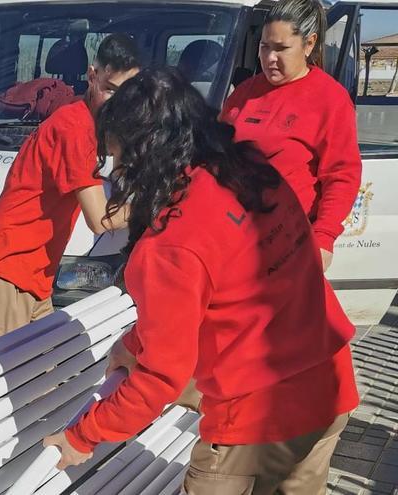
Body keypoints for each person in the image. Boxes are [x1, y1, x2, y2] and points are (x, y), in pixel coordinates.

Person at [43, 67, 358, 494]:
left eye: (121, 160)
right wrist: (134, 345)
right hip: (328, 384)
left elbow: (161, 378)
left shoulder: (171, 245)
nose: (117, 174)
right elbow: (225, 291)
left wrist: (82, 437)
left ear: (147, 154)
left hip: (255, 418)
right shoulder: (252, 171)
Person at [0, 34, 140, 352]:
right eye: (110, 89)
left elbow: (120, 153)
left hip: (35, 275)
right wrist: (154, 209)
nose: (118, 102)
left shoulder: (91, 122)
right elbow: (99, 220)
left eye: (127, 94)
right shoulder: (74, 128)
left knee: (40, 384)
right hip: (9, 274)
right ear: (92, 75)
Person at [221, 0, 362, 271]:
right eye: (264, 47)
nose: (270, 58)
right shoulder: (244, 93)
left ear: (309, 44)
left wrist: (323, 238)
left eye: (282, 48)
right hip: (233, 237)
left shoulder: (329, 99)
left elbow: (342, 175)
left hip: (289, 243)